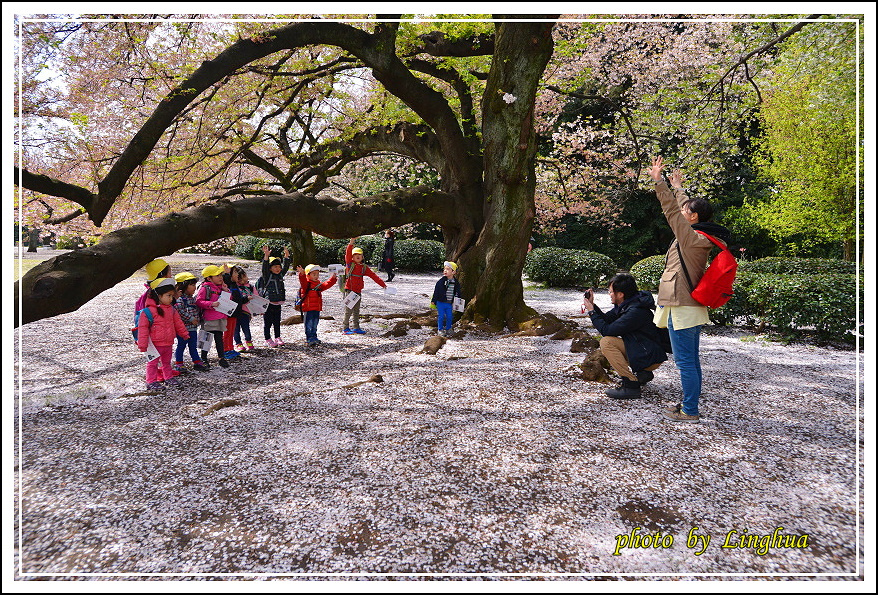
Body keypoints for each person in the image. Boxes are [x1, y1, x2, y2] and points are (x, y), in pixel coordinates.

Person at [648, 155, 732, 422]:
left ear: (693, 217)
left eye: (688, 212)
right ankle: (688, 403)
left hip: (681, 305)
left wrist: (659, 183)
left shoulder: (691, 238)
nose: (683, 212)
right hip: (687, 304)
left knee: (685, 362)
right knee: (690, 361)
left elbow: (673, 213)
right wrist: (677, 186)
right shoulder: (700, 236)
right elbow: (682, 208)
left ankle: (690, 410)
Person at [582, 273, 668, 399]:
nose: (609, 294)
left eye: (611, 292)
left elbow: (607, 330)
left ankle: (630, 385)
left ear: (620, 294)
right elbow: (607, 319)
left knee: (607, 342)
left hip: (648, 356)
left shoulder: (635, 312)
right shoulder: (628, 304)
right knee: (609, 340)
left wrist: (591, 312)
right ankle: (643, 374)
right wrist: (593, 306)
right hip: (646, 351)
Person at [137, 278, 189, 390]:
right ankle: (151, 381)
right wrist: (143, 344)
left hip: (168, 342)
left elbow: (178, 323)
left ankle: (168, 377)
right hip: (154, 344)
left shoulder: (171, 310)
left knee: (166, 362)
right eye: (168, 296)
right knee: (152, 363)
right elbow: (143, 329)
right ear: (159, 296)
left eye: (172, 296)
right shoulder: (148, 311)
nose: (171, 299)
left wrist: (184, 333)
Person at [342, 238, 387, 335]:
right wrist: (351, 243)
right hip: (350, 291)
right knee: (348, 310)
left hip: (358, 291)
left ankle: (356, 327)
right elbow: (348, 254)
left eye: (360, 255)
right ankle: (345, 328)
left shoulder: (364, 267)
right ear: (352, 257)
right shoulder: (350, 265)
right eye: (356, 255)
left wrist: (382, 284)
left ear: (362, 257)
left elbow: (373, 276)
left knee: (356, 310)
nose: (358, 256)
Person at [196, 264, 231, 368]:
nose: (220, 277)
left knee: (219, 338)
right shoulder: (205, 288)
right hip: (209, 318)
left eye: (221, 275)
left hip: (220, 317)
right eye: (217, 275)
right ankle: (204, 358)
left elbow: (228, 300)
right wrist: (211, 304)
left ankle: (221, 358)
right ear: (209, 278)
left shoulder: (221, 287)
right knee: (206, 338)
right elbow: (199, 301)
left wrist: (226, 291)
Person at [173, 272, 209, 372]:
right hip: (183, 328)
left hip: (193, 328)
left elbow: (196, 310)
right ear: (184, 286)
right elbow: (180, 311)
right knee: (181, 345)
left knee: (193, 345)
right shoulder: (180, 299)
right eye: (192, 285)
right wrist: (191, 319)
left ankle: (197, 361)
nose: (194, 287)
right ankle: (179, 363)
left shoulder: (192, 299)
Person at [296, 264, 338, 347]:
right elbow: (303, 280)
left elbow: (327, 284)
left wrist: (333, 278)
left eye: (317, 274)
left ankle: (314, 337)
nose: (316, 276)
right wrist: (302, 274)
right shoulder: (306, 284)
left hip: (317, 308)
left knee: (315, 323)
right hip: (308, 308)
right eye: (314, 274)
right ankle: (309, 338)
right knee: (308, 324)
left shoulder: (318, 285)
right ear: (308, 275)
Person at [258, 245, 291, 347]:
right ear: (270, 268)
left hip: (278, 302)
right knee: (267, 323)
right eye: (275, 267)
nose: (278, 269)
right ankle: (267, 339)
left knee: (277, 322)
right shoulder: (267, 277)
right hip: (269, 302)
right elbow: (264, 268)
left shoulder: (280, 275)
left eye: (279, 266)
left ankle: (277, 337)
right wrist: (266, 256)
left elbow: (285, 267)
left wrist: (286, 256)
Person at [431, 261, 462, 338]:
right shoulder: (441, 281)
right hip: (440, 302)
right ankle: (440, 329)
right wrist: (434, 300)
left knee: (449, 316)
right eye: (444, 269)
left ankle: (448, 328)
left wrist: (458, 299)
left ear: (453, 272)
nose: (445, 271)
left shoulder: (456, 282)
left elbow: (457, 291)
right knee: (441, 316)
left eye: (448, 269)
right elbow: (436, 291)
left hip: (449, 303)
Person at [234, 268, 256, 352]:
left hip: (246, 311)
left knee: (246, 328)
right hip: (236, 311)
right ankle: (238, 343)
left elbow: (256, 298)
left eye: (245, 276)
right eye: (241, 278)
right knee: (236, 329)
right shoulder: (235, 287)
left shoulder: (250, 287)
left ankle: (248, 341)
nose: (244, 279)